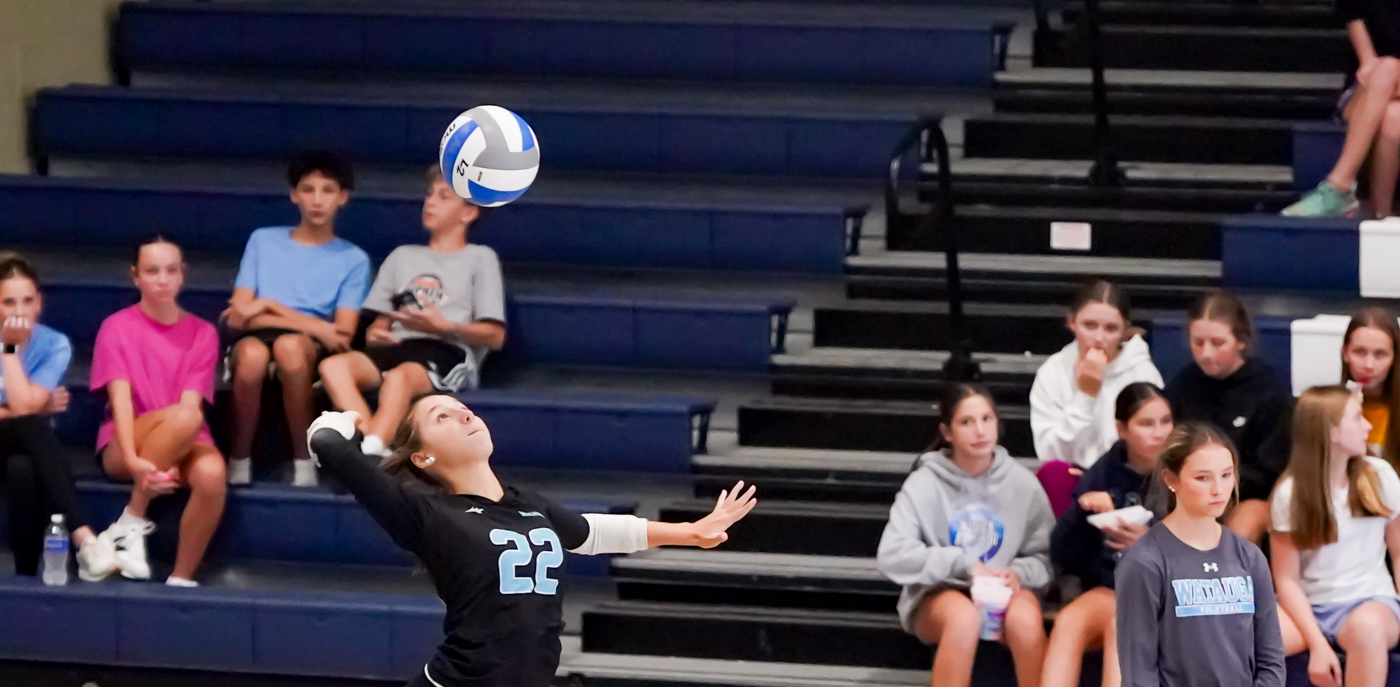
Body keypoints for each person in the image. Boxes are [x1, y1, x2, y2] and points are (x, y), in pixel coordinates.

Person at [305, 396, 757, 687]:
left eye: (464, 408)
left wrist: (689, 532)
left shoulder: (528, 503)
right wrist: (338, 422)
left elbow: (591, 533)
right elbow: (328, 444)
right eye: (442, 417)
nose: (465, 414)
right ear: (423, 456)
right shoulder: (424, 513)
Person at [319, 166, 506, 457]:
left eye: (443, 197)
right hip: (397, 345)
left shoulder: (480, 258)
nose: (430, 202)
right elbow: (380, 321)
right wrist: (376, 332)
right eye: (430, 194)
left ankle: (370, 451)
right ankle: (373, 447)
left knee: (399, 378)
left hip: (444, 349)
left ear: (468, 212)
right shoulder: (402, 256)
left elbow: (495, 335)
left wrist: (443, 327)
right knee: (333, 366)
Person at [877, 383, 1055, 687]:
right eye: (967, 422)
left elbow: (1048, 557)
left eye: (987, 419)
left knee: (1025, 621)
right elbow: (892, 554)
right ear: (947, 432)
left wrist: (1018, 573)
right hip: (939, 591)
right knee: (963, 620)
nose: (980, 431)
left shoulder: (1022, 483)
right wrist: (963, 565)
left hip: (1005, 590)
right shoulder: (924, 483)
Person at [222, 151, 371, 487]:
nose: (317, 200)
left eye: (327, 190)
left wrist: (269, 306)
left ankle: (304, 460)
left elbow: (341, 335)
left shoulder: (353, 259)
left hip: (309, 345)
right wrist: (311, 322)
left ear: (342, 198)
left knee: (289, 348)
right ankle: (239, 459)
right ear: (294, 195)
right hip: (261, 335)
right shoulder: (263, 240)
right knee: (252, 355)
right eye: (308, 189)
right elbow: (239, 316)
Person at [91, 237, 225, 586]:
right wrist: (133, 459)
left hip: (185, 433)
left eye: (171, 271)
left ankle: (180, 576)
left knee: (212, 472)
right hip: (128, 440)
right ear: (136, 276)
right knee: (185, 418)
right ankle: (132, 519)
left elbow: (191, 405)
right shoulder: (115, 327)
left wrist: (174, 450)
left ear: (183, 274)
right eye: (152, 271)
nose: (163, 280)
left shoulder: (203, 333)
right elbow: (121, 402)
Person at [1115, 422, 1286, 687]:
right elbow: (1139, 671)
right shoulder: (1145, 562)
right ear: (1171, 479)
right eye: (1203, 478)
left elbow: (1271, 660)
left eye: (1226, 475)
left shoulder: (1249, 557)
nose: (1218, 489)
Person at [1044, 382, 1173, 687]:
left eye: (1166, 421)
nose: (1159, 433)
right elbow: (1061, 551)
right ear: (1121, 429)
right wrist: (1082, 511)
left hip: (1170, 589)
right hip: (1112, 586)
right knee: (1069, 621)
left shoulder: (1186, 470)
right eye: (1146, 424)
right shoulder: (1104, 471)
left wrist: (1150, 543)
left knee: (1123, 625)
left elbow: (1204, 546)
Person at [1272, 385, 1400, 687]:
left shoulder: (1379, 475)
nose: (1367, 426)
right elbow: (1286, 579)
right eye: (1357, 418)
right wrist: (1318, 644)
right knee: (1245, 637)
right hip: (1308, 605)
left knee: (1367, 629)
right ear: (1330, 432)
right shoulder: (1289, 493)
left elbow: (1398, 551)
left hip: (1370, 601)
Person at [0, 252, 117, 580]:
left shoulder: (54, 344)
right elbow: (27, 408)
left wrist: (25, 404)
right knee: (33, 424)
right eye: (8, 302)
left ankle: (25, 577)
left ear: (39, 303)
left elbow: (25, 409)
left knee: (22, 468)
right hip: (25, 431)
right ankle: (84, 537)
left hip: (19, 443)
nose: (19, 312)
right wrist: (8, 347)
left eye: (27, 301)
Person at [1165, 290, 1292, 545]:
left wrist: (1218, 486)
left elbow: (1270, 468)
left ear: (1240, 341)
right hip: (1191, 490)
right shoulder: (1183, 384)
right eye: (1198, 342)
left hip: (1248, 495)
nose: (1206, 353)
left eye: (1217, 343)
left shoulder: (1269, 387)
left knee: (1236, 532)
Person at [1031, 280, 1164, 515]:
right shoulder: (1053, 372)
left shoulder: (1142, 373)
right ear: (1072, 323)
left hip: (1125, 480)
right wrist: (1085, 395)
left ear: (1124, 330)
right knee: (1054, 473)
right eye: (1089, 325)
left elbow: (1153, 443)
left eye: (1110, 328)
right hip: (1074, 476)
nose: (1099, 338)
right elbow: (1050, 453)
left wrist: (1100, 474)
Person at [1282, 1, 1400, 217]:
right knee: (1387, 69)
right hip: (1368, 90)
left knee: (1394, 117)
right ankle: (1340, 187)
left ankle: (1379, 214)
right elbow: (1367, 67)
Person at [1340, 307, 1400, 467]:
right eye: (1360, 352)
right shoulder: (1327, 410)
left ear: (1394, 358)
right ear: (1345, 353)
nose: (1369, 365)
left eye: (1380, 354)